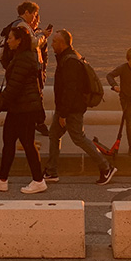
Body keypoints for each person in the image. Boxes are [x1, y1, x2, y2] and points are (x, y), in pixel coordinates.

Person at [43, 30, 117, 185]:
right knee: (54, 134)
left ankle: (106, 167)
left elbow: (70, 90)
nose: (52, 44)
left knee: (79, 138)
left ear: (62, 44)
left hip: (71, 109)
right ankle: (51, 171)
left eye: (55, 41)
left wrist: (63, 113)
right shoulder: (68, 57)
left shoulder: (70, 62)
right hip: (66, 107)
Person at [0, 25, 47, 194]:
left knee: (27, 144)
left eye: (11, 38)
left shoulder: (24, 59)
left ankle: (39, 180)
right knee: (9, 142)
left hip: (25, 109)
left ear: (19, 41)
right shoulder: (20, 57)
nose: (8, 41)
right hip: (18, 108)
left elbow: (13, 88)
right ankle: (2, 179)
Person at [0, 1, 54, 136]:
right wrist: (43, 36)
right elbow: (32, 43)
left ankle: (33, 128)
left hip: (19, 67)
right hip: (24, 69)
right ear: (27, 12)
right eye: (34, 15)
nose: (35, 19)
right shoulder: (21, 26)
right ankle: (37, 124)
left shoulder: (16, 24)